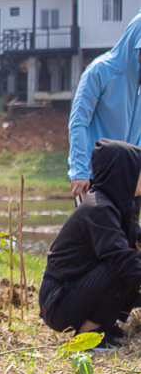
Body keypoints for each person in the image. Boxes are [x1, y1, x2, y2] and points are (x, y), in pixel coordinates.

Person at [40, 139, 141, 351]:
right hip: (58, 301)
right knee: (123, 266)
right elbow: (122, 259)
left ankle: (105, 325)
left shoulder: (119, 206)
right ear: (125, 173)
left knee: (131, 262)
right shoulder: (99, 209)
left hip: (76, 290)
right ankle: (89, 333)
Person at [68, 10, 141, 197]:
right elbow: (78, 122)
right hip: (95, 177)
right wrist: (80, 171)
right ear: (133, 44)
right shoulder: (100, 71)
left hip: (129, 179)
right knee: (99, 226)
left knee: (130, 228)